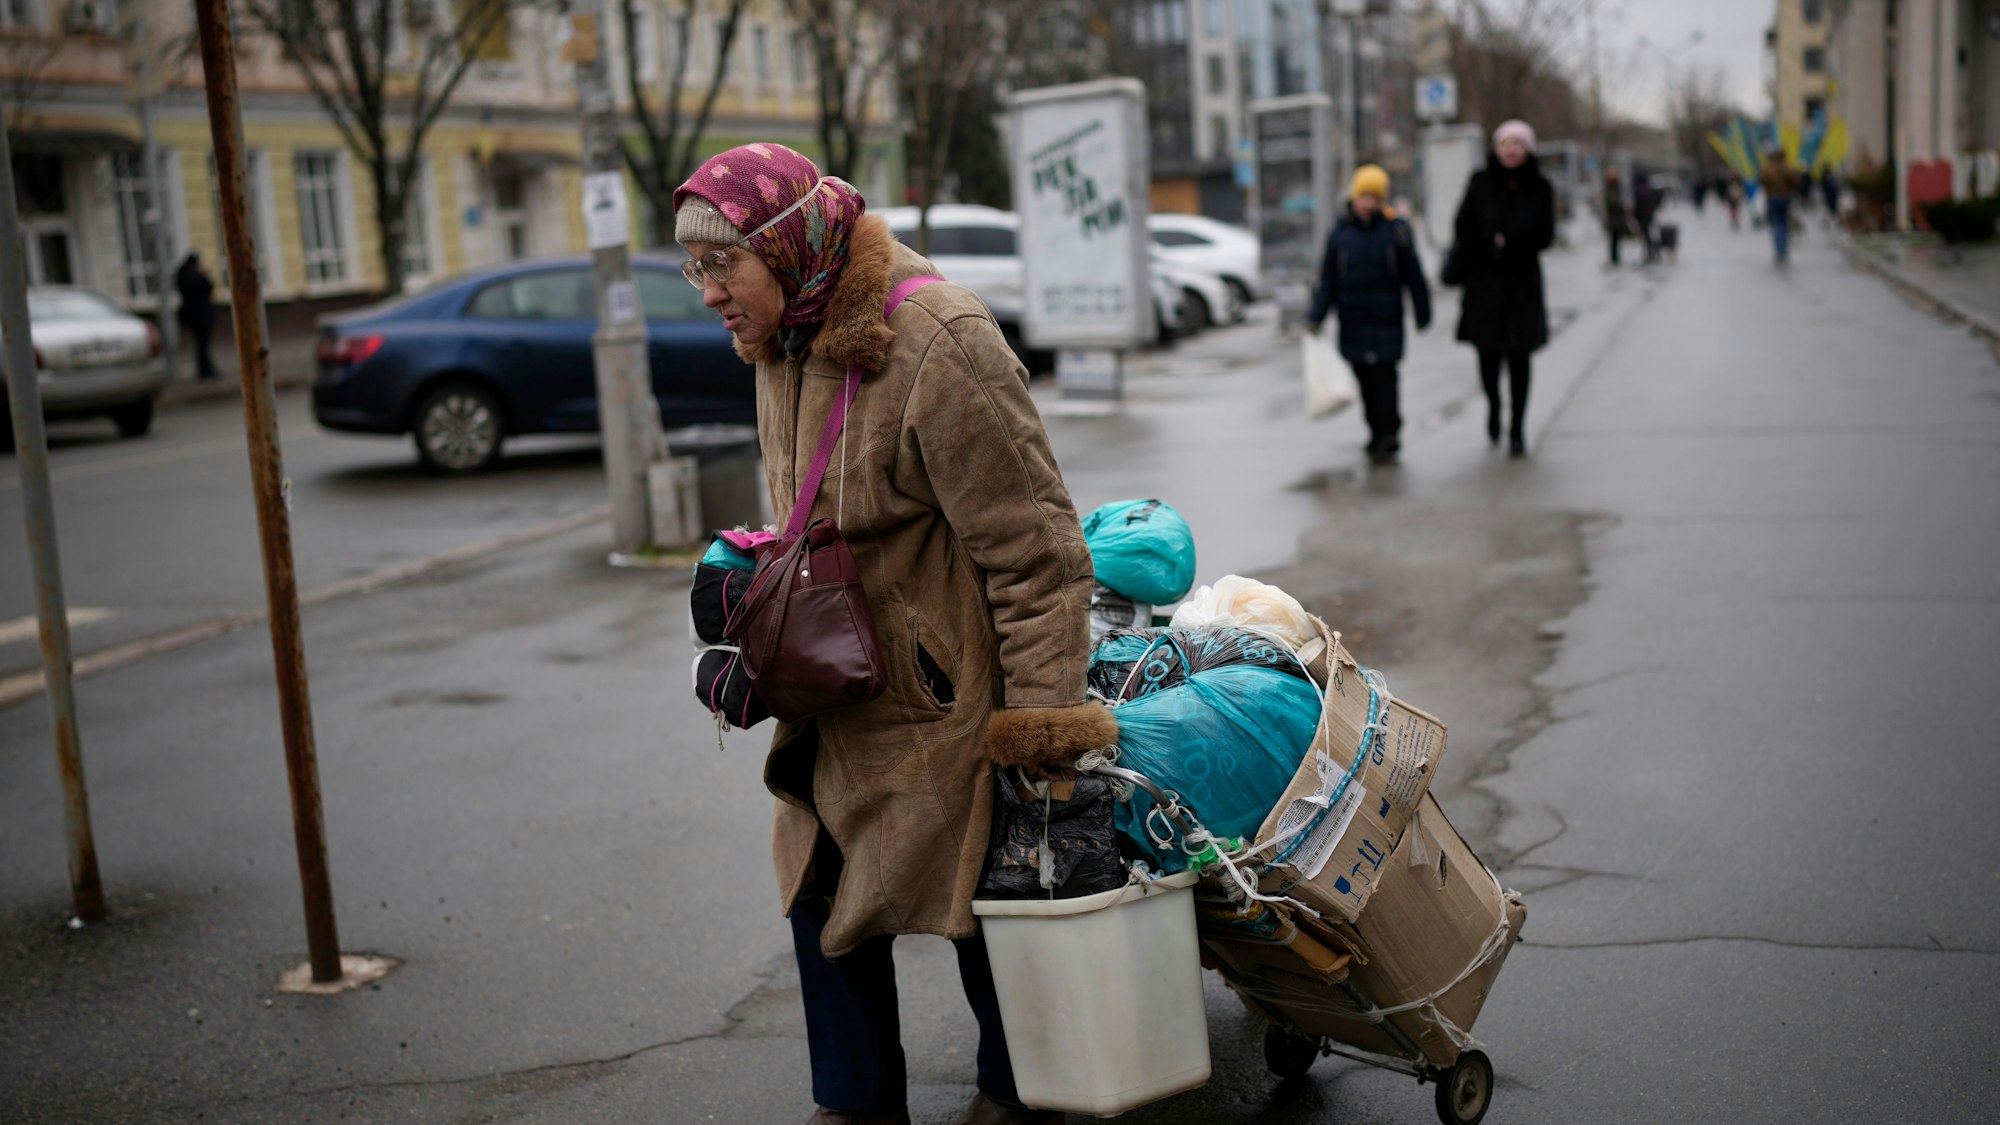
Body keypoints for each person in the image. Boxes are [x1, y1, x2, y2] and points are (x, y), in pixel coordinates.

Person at [673, 142, 1112, 1125]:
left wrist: (1037, 741)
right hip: (833, 696)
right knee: (818, 896)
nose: (705, 292)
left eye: (718, 263)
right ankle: (855, 1106)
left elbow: (1038, 558)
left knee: (983, 915)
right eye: (691, 267)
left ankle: (1016, 1096)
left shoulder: (938, 338)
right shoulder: (777, 339)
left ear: (784, 247)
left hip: (942, 713)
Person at [1305, 163, 1432, 465]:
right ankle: (1374, 431)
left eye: (1376, 197)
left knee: (1386, 378)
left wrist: (1422, 310)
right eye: (1365, 196)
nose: (1369, 203)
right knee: (1364, 379)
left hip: (1387, 318)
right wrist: (1316, 316)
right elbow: (1328, 281)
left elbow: (1413, 275)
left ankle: (1391, 433)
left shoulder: (1396, 231)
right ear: (1355, 197)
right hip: (1354, 320)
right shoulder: (1339, 235)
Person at [1454, 119, 1556, 457]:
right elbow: (1463, 225)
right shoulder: (1480, 183)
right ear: (1496, 149)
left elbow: (1545, 234)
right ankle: (1494, 405)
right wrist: (1488, 243)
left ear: (1528, 148)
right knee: (1487, 356)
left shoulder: (1540, 187)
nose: (1510, 149)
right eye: (1505, 143)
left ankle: (1517, 427)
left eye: (1517, 143)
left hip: (1522, 284)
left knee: (1519, 357)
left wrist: (1510, 241)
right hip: (1485, 284)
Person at [174, 252, 219, 380]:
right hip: (201, 315)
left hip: (192, 315)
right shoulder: (194, 276)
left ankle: (205, 369)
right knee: (203, 344)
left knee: (201, 343)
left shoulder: (183, 275)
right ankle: (206, 370)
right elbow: (208, 286)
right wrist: (204, 274)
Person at [1759, 148, 1804, 265]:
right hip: (1784, 198)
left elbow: (1762, 181)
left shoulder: (1768, 168)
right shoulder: (1786, 168)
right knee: (1784, 224)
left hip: (1772, 198)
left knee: (1776, 225)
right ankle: (1783, 251)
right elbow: (1795, 182)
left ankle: (1779, 251)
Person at [1600, 167, 1630, 267]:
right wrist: (1621, 206)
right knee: (1613, 240)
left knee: (1617, 240)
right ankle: (1614, 259)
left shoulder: (1617, 186)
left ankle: (1616, 258)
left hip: (1617, 219)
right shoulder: (1609, 187)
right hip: (1613, 219)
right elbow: (1612, 202)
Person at [1633, 175, 1663, 264]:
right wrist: (1655, 206)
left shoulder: (1638, 190)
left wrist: (1635, 216)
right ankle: (1654, 250)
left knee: (1646, 234)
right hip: (1650, 215)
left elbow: (1637, 204)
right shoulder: (1649, 189)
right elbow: (1659, 196)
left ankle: (1650, 251)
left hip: (1642, 216)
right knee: (1651, 233)